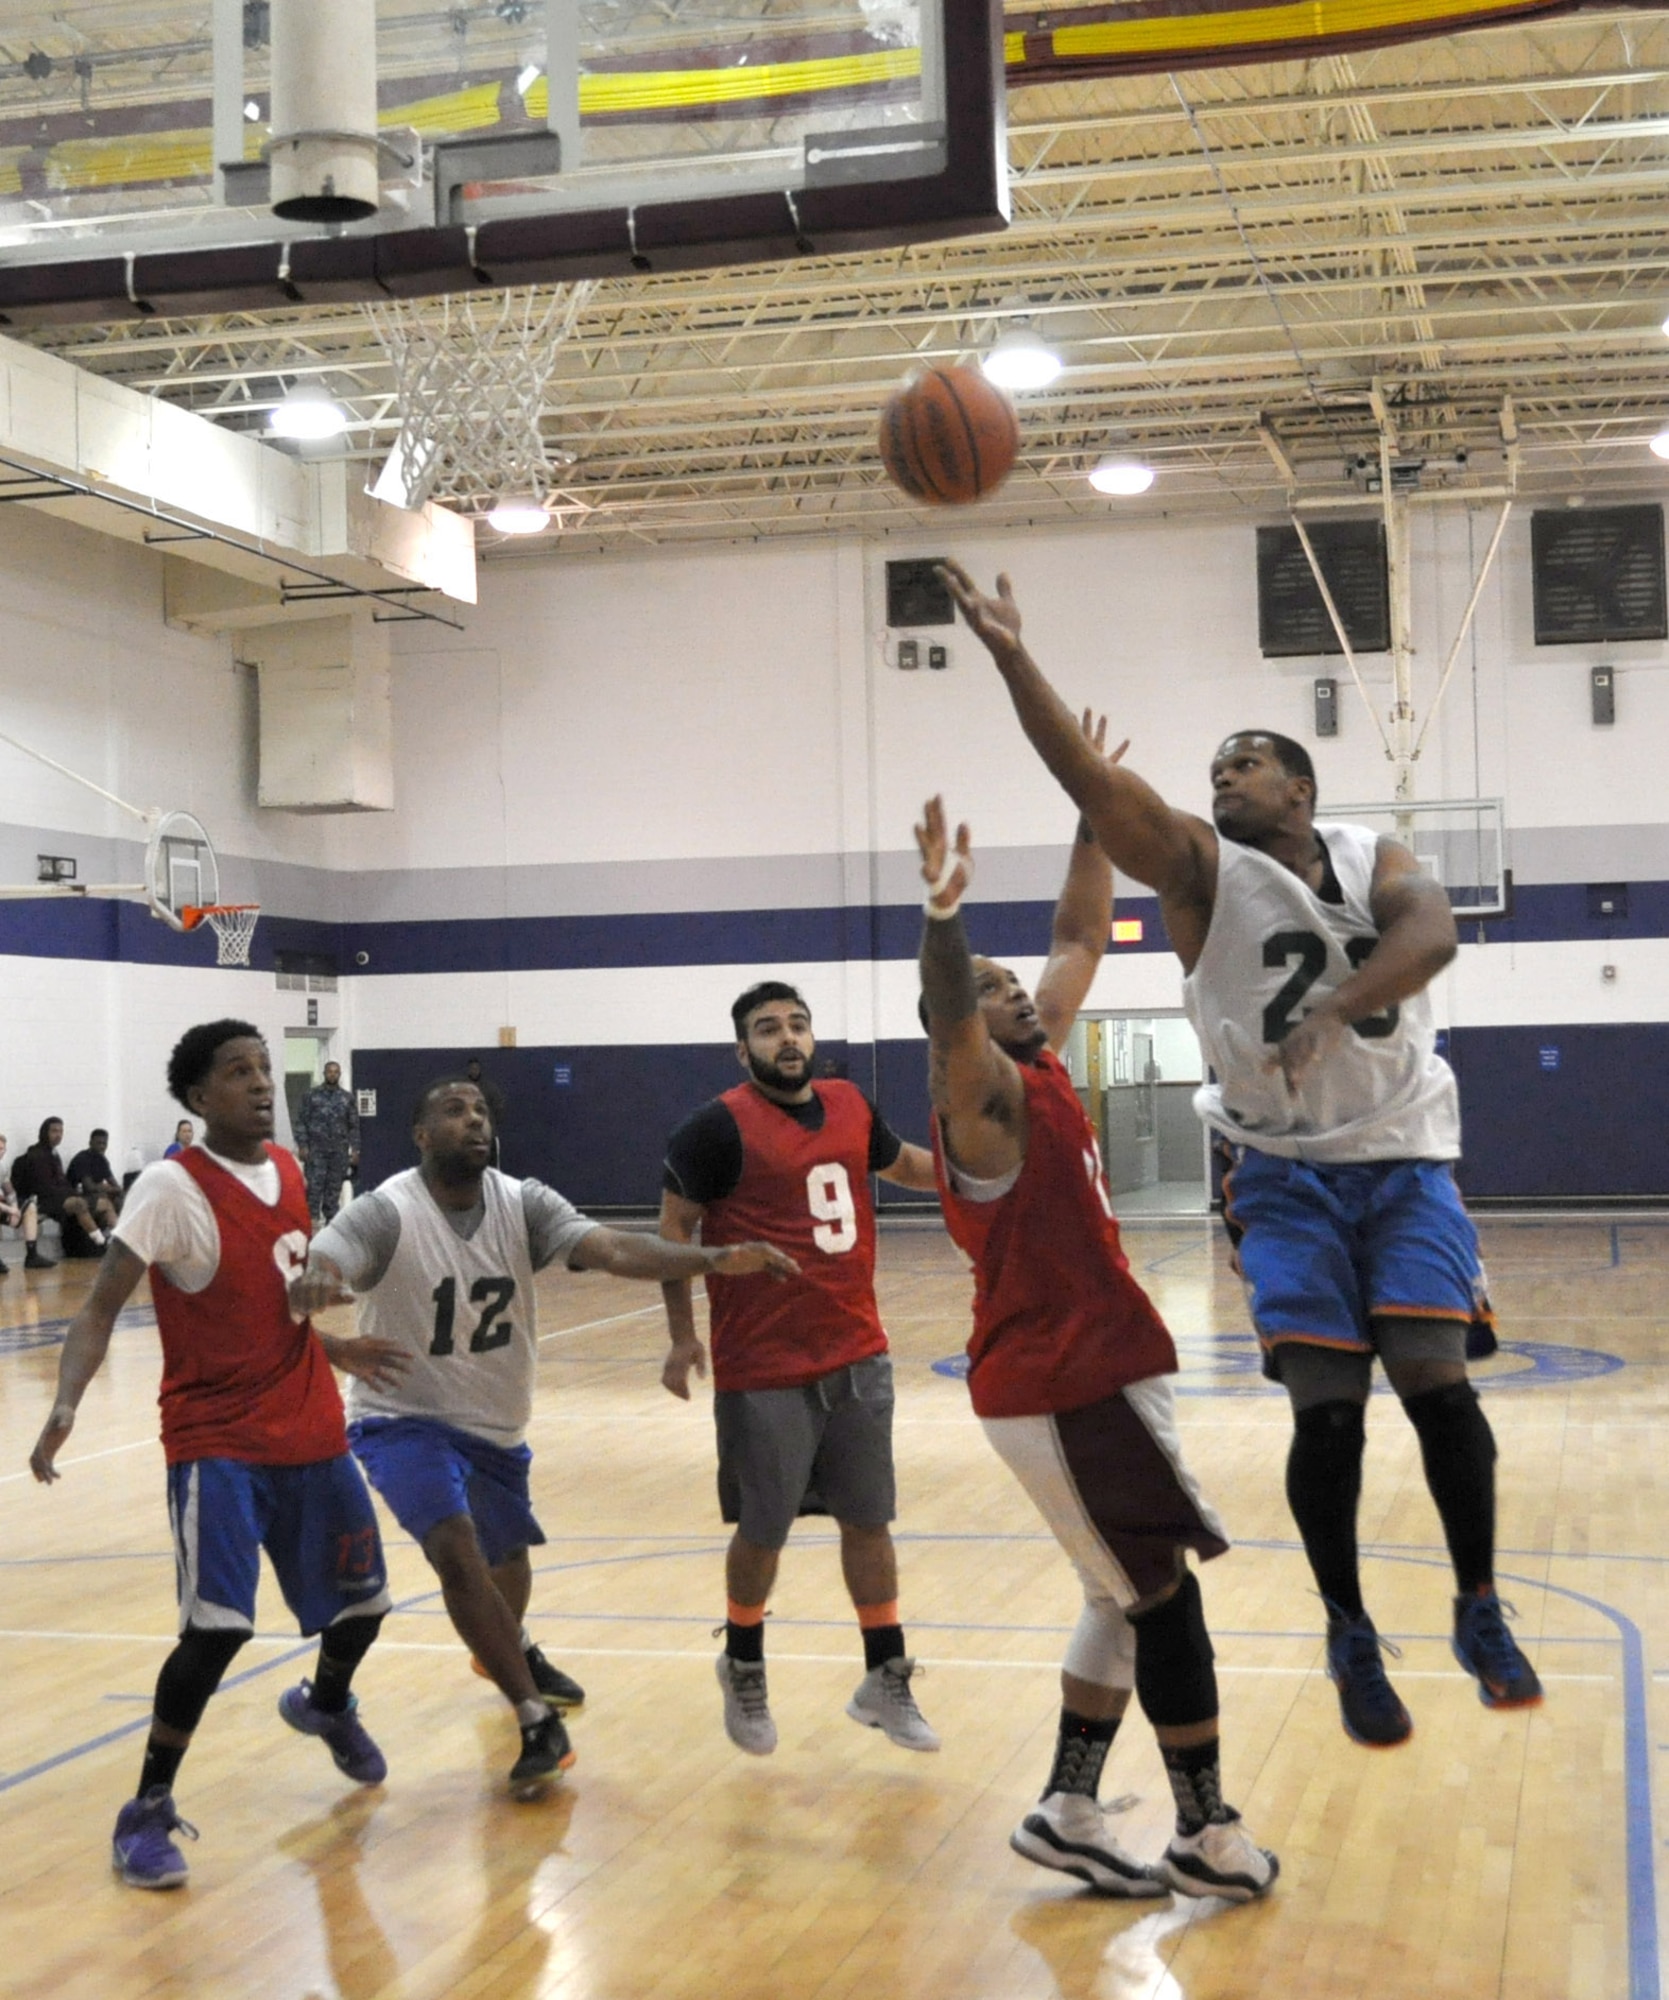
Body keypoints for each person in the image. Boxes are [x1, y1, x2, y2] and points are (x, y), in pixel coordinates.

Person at [940, 557, 1542, 1750]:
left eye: (1246, 762)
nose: (1223, 776)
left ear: (1302, 787)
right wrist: (1014, 658)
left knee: (1437, 1384)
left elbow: (1428, 939)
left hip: (1404, 1155)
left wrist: (1335, 1005)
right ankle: (1348, 1624)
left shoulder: (1374, 857)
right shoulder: (1199, 868)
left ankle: (1477, 1601)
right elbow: (1090, 781)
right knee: (1329, 1417)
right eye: (1214, 766)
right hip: (1279, 1168)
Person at [916, 755, 1278, 1905]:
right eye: (992, 987)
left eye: (1011, 984)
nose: (1019, 989)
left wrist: (1088, 813)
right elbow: (946, 1020)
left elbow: (1079, 935)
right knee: (1164, 1596)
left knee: (1117, 1595)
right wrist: (943, 920)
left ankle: (1070, 1808)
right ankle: (1204, 1827)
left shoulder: (1042, 1062)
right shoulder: (981, 1102)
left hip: (1100, 1373)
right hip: (1060, 1385)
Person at [289, 1075, 800, 1797]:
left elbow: (617, 1250)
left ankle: (510, 1646)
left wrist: (713, 1259)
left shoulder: (523, 1202)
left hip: (495, 1422)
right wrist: (320, 1289)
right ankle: (533, 1719)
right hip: (400, 1417)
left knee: (509, 1560)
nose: (472, 1119)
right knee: (455, 1550)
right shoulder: (386, 1212)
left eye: (479, 1110)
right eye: (452, 1110)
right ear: (421, 1135)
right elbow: (326, 1258)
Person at [29, 1020, 408, 1891]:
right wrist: (65, 1402)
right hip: (218, 1441)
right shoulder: (169, 1185)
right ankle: (147, 1810)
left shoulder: (290, 1171)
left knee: (367, 1607)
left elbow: (282, 1302)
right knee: (215, 1631)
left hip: (309, 1424)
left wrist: (337, 1350)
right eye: (238, 1073)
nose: (260, 1083)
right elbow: (95, 1310)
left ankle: (324, 1703)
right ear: (200, 1099)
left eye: (263, 1067)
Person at [658, 980, 943, 1758]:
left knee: (869, 1520)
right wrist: (683, 1335)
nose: (786, 1038)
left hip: (857, 1351)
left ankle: (884, 1676)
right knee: (763, 1529)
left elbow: (905, 1164)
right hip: (763, 1366)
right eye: (767, 1028)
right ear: (741, 1048)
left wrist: (974, 1179)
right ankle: (742, 1662)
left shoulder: (851, 1105)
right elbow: (673, 1231)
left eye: (796, 1024)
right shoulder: (713, 1130)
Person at [13, 1117, 115, 1264]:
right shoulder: (36, 1155)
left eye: (61, 1131)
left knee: (105, 1203)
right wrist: (72, 1194)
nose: (58, 1135)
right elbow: (44, 1187)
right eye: (54, 1131)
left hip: (63, 1197)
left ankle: (115, 1240)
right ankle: (101, 1242)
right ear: (44, 1132)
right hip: (46, 1200)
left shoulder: (54, 1155)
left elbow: (63, 1183)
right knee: (79, 1204)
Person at [297, 1061, 360, 1226]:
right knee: (313, 1189)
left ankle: (331, 1225)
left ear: (339, 1074)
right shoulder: (311, 1096)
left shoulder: (347, 1098)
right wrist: (302, 1145)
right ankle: (311, 1223)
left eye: (336, 1072)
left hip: (338, 1152)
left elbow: (353, 1125)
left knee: (333, 1190)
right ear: (324, 1073)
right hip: (316, 1151)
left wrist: (355, 1150)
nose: (333, 1074)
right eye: (330, 1071)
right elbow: (301, 1122)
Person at [0, 1131, 42, 1274]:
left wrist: (15, 1207)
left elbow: (10, 1191)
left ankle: (32, 1254)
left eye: (2, 1148)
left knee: (29, 1206)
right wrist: (9, 1210)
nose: (0, 1152)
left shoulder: (2, 1167)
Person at [68, 1128, 124, 1217]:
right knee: (106, 1199)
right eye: (99, 1143)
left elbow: (114, 1184)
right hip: (74, 1198)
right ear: (90, 1143)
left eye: (104, 1144)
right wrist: (108, 1188)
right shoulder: (82, 1159)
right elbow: (89, 1187)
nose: (102, 1146)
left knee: (121, 1198)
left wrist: (116, 1190)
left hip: (92, 1196)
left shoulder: (102, 1160)